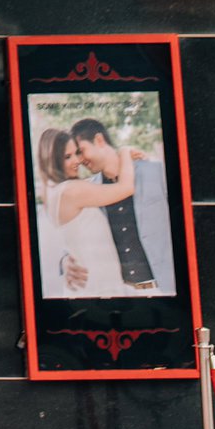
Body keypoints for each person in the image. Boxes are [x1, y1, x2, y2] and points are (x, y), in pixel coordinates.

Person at [35, 124, 137, 297]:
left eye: (76, 153)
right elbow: (126, 188)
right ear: (52, 161)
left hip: (89, 285)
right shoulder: (71, 191)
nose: (77, 161)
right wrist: (125, 152)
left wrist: (65, 261)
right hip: (97, 288)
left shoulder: (57, 192)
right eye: (67, 157)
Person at [68, 114, 163, 291]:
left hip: (163, 289)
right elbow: (70, 238)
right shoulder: (87, 192)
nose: (79, 160)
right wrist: (65, 262)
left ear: (99, 140)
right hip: (121, 294)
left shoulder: (156, 173)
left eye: (80, 151)